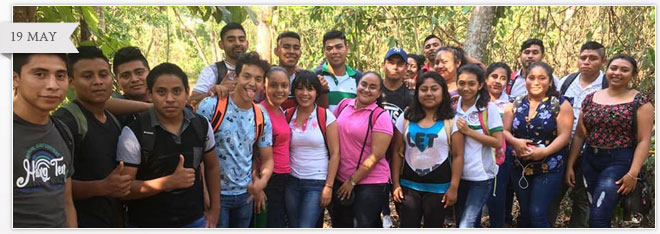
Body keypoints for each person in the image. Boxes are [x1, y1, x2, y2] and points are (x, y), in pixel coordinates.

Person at [116, 63, 220, 228]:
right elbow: (124, 189)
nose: (170, 99)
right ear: (150, 94)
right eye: (161, 92)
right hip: (147, 224)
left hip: (195, 221)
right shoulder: (134, 133)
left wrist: (214, 212)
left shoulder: (201, 125)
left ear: (187, 92)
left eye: (177, 91)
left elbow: (212, 167)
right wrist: (168, 182)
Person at [565, 55, 653, 228]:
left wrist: (633, 173)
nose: (617, 73)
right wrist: (570, 164)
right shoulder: (591, 98)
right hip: (590, 160)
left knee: (597, 217)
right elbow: (580, 135)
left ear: (633, 75)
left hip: (619, 162)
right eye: (613, 68)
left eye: (624, 70)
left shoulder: (640, 101)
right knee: (597, 210)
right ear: (607, 70)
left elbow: (644, 140)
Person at [196, 51, 274, 228]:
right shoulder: (211, 106)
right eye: (247, 76)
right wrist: (205, 192)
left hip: (245, 196)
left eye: (258, 79)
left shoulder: (261, 115)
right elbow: (197, 154)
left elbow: (268, 158)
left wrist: (262, 182)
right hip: (216, 195)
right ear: (236, 77)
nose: (252, 83)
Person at [52, 46, 127, 228]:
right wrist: (102, 186)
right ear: (71, 82)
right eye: (87, 76)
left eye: (103, 75)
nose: (98, 82)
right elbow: (52, 184)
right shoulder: (65, 122)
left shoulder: (112, 120)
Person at [502, 62, 573, 228]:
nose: (535, 82)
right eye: (531, 78)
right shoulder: (515, 103)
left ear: (550, 82)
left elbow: (564, 136)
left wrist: (545, 152)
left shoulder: (560, 104)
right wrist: (515, 141)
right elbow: (504, 131)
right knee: (526, 212)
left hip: (549, 165)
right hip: (519, 166)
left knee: (537, 212)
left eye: (542, 78)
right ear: (525, 80)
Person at [391, 71, 464, 228]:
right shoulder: (406, 117)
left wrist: (453, 187)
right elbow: (397, 151)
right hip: (408, 187)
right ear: (417, 92)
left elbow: (458, 156)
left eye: (434, 89)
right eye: (424, 89)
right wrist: (396, 183)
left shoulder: (452, 120)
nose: (429, 93)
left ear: (443, 92)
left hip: (439, 188)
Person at [548, 41, 608, 228]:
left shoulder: (607, 85)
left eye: (593, 58)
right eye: (583, 58)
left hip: (592, 152)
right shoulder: (567, 81)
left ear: (603, 61)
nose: (586, 62)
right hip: (561, 148)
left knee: (583, 200)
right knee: (552, 194)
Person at [13, 53, 77, 228]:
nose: (52, 85)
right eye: (40, 74)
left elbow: (66, 202)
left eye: (60, 76)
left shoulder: (62, 131)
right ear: (15, 78)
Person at [330, 72, 392, 228]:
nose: (366, 89)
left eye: (373, 87)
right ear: (357, 85)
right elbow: (329, 131)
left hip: (371, 182)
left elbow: (377, 155)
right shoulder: (344, 105)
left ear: (379, 93)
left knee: (362, 225)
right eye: (363, 84)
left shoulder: (380, 116)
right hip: (342, 178)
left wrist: (352, 181)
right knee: (341, 224)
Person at [284, 70, 340, 228]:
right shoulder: (287, 115)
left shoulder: (326, 116)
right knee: (294, 227)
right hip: (291, 182)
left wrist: (328, 186)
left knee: (305, 227)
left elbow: (335, 154)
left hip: (316, 183)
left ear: (317, 92)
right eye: (300, 88)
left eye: (310, 89)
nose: (304, 93)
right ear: (294, 91)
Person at [453, 64, 504, 228]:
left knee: (466, 224)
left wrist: (469, 131)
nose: (465, 88)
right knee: (464, 220)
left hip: (481, 177)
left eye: (471, 83)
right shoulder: (453, 107)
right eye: (461, 83)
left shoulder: (489, 108)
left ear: (480, 85)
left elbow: (498, 142)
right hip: (458, 175)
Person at [380, 47, 414, 227]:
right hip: (376, 153)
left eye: (400, 64)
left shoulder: (411, 94)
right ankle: (385, 215)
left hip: (402, 153)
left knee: (403, 200)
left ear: (406, 67)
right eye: (391, 63)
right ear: (383, 65)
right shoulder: (374, 90)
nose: (395, 67)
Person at [257, 66, 292, 227]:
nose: (279, 90)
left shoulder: (281, 111)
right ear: (264, 86)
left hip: (283, 179)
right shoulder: (259, 112)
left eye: (284, 86)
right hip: (268, 180)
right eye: (273, 85)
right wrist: (258, 185)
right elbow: (250, 152)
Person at [481, 62, 515, 228]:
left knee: (497, 196)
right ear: (486, 79)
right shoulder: (475, 101)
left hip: (500, 156)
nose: (497, 81)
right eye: (494, 76)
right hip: (475, 154)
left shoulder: (510, 105)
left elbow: (505, 132)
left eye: (503, 78)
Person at [190, 22, 249, 107]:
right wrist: (214, 91)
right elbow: (192, 102)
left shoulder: (257, 71)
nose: (237, 43)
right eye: (231, 40)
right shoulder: (212, 71)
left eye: (241, 39)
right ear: (221, 44)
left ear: (247, 43)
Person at [316, 30, 363, 112]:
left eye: (339, 47)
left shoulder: (359, 78)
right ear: (324, 51)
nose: (334, 52)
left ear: (346, 48)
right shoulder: (315, 76)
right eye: (329, 48)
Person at [112, 46, 151, 126]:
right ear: (118, 82)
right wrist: (152, 107)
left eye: (139, 72)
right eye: (126, 76)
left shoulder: (166, 99)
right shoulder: (114, 111)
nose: (134, 79)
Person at [273, 31, 303, 110]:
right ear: (276, 51)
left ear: (300, 53)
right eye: (286, 47)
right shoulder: (266, 78)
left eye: (296, 48)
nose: (291, 51)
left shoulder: (304, 80)